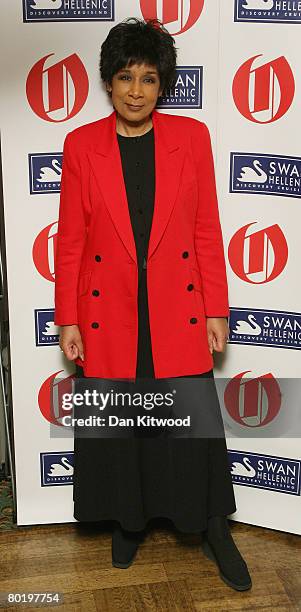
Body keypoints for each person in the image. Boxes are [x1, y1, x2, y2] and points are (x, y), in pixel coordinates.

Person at [54, 17, 252, 591]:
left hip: (177, 307)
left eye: (147, 78)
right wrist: (68, 317)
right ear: (108, 83)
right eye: (124, 77)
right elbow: (70, 241)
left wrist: (217, 309)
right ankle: (128, 520)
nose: (136, 91)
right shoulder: (81, 144)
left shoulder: (192, 139)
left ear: (162, 84)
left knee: (193, 423)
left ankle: (214, 526)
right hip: (107, 309)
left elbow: (208, 230)